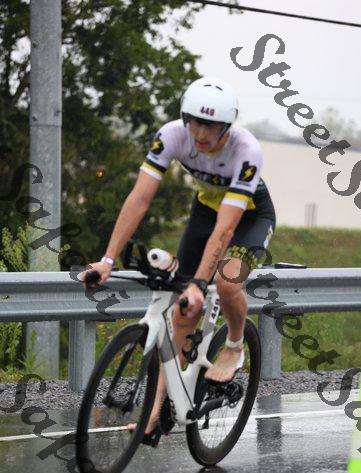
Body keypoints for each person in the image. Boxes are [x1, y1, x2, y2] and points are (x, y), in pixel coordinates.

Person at [82, 76, 276, 439]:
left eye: (211, 126)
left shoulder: (247, 150)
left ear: (227, 126)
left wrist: (200, 283)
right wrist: (107, 260)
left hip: (250, 217)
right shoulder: (171, 134)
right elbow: (140, 198)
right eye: (195, 123)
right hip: (205, 211)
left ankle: (234, 345)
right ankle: (157, 412)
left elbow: (226, 229)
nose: (200, 134)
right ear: (185, 118)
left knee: (227, 282)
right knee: (182, 314)